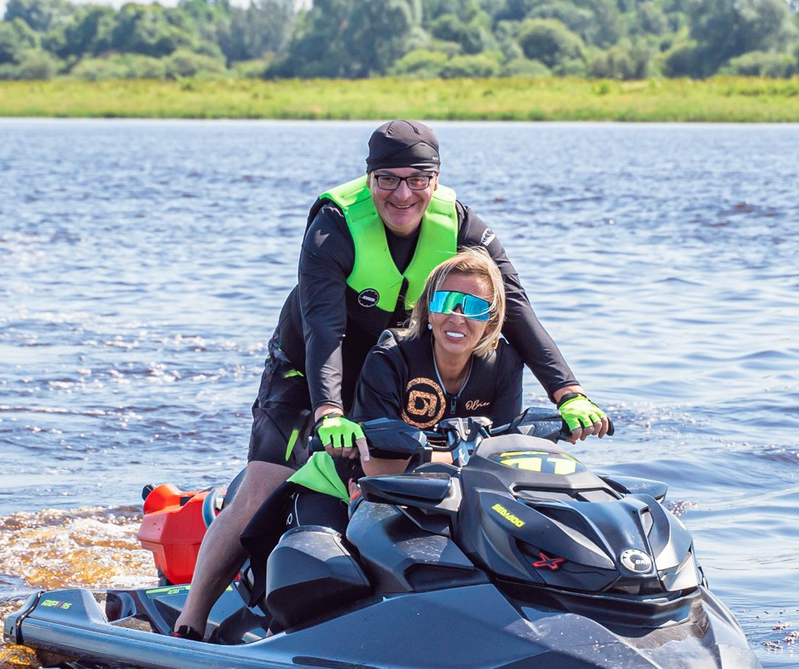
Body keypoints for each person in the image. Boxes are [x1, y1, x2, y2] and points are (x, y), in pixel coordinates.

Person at [174, 120, 607, 637]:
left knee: (438, 475)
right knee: (266, 483)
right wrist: (329, 411)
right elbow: (323, 330)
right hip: (308, 363)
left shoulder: (464, 227)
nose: (403, 194)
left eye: (418, 179)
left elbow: (514, 310)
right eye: (388, 179)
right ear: (370, 179)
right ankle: (191, 620)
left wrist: (568, 392)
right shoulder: (334, 226)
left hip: (398, 362)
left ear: (436, 179)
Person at [352, 250, 530, 476]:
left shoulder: (505, 364)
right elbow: (378, 466)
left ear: (491, 319)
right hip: (372, 488)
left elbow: (505, 459)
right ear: (428, 308)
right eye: (446, 302)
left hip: (464, 489)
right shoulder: (390, 358)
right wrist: (465, 454)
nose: (457, 318)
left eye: (474, 307)